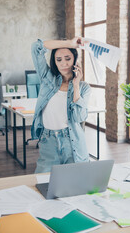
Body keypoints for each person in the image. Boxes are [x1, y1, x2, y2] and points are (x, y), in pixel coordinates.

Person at [31, 37, 91, 173]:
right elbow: (36, 47)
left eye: (68, 58)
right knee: (43, 181)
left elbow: (79, 117)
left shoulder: (84, 87)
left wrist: (76, 86)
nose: (63, 63)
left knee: (74, 186)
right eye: (59, 60)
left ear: (75, 60)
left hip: (72, 142)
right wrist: (69, 44)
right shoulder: (47, 79)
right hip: (48, 141)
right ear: (55, 62)